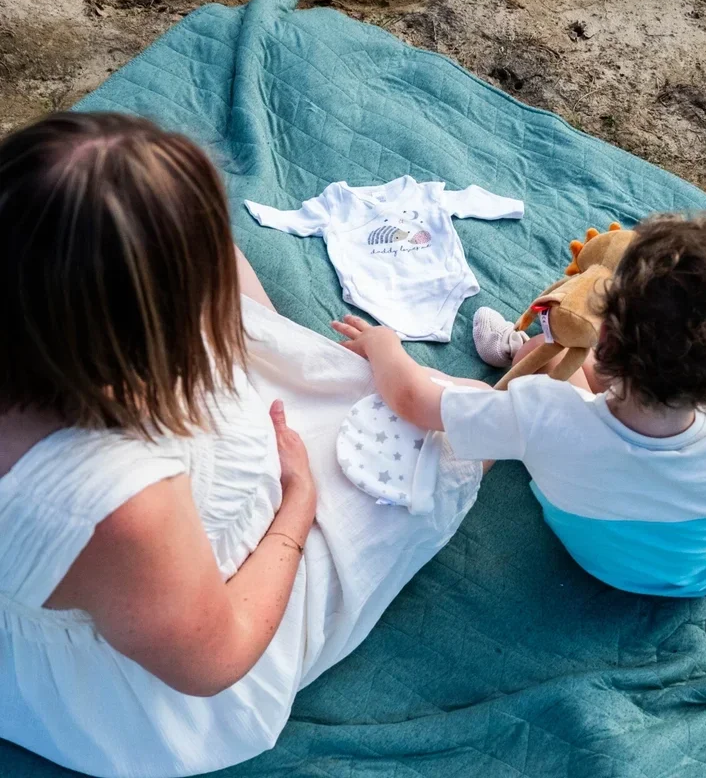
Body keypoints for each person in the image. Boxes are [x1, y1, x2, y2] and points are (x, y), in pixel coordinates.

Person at [0, 113, 483, 778]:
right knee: (451, 425)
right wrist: (295, 515)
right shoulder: (119, 504)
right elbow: (216, 658)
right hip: (182, 632)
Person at [333, 214, 706, 598]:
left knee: (544, 353)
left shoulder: (543, 414)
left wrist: (383, 345)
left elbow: (413, 399)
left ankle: (519, 349)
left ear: (604, 337)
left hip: (604, 561)